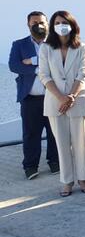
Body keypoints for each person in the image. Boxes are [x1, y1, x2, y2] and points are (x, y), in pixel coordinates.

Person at [38, 11, 85, 197]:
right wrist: (62, 98)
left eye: (64, 22)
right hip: (55, 102)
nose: (61, 25)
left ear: (72, 24)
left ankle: (83, 178)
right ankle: (67, 181)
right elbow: (44, 75)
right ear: (52, 26)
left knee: (80, 143)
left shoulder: (82, 47)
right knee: (61, 144)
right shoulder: (45, 48)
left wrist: (71, 96)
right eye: (57, 22)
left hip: (78, 100)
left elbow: (83, 73)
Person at [9, 11, 58, 179]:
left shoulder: (56, 43)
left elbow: (58, 63)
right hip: (30, 99)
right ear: (28, 25)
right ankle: (30, 166)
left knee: (55, 132)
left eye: (42, 22)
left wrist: (33, 61)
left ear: (47, 24)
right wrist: (38, 70)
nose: (39, 25)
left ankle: (55, 161)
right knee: (31, 134)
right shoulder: (19, 45)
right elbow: (14, 66)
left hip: (53, 97)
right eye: (35, 22)